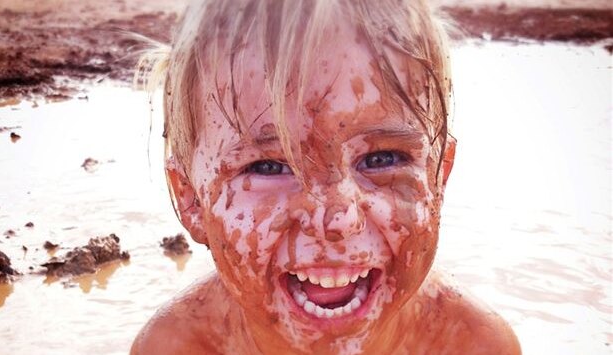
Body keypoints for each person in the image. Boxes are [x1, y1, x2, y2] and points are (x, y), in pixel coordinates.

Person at [131, 0, 521, 353]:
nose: (339, 220)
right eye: (269, 167)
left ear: (438, 177)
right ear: (191, 199)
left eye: (382, 158)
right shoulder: (180, 347)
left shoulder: (471, 345)